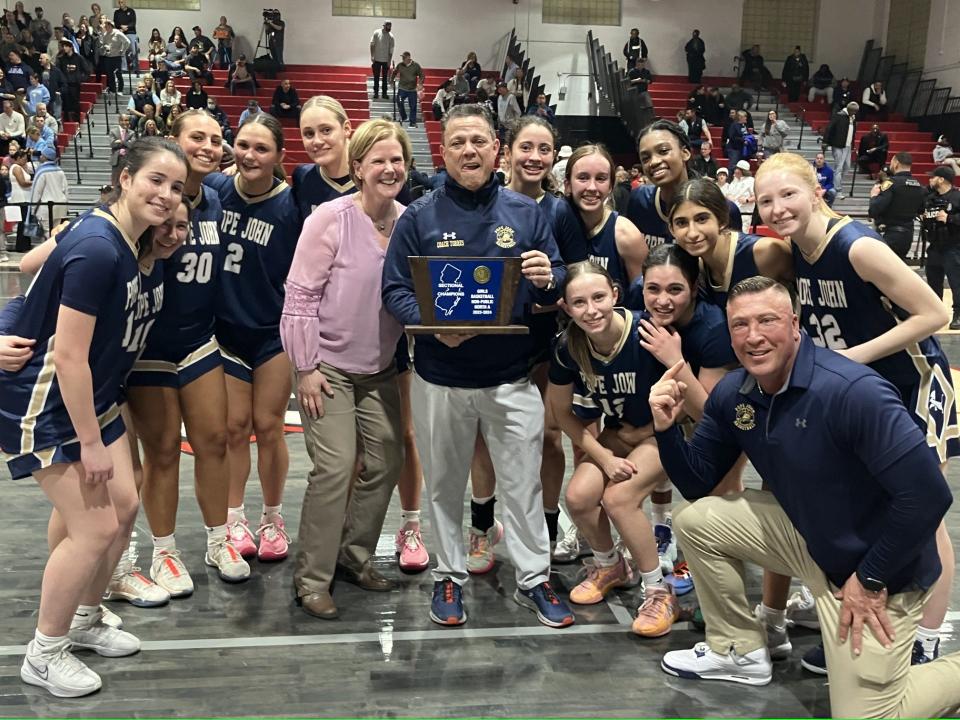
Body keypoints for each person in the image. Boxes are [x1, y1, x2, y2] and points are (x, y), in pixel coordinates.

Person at [652, 275, 960, 718]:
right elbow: (698, 482)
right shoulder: (736, 393)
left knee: (870, 716)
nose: (753, 336)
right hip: (815, 543)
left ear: (795, 325)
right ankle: (738, 649)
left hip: (881, 569)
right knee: (697, 521)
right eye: (740, 325)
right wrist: (666, 429)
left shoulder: (852, 391)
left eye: (767, 321)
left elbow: (929, 496)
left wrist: (869, 578)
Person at [755, 152, 959, 671]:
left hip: (911, 384)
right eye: (765, 199)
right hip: (861, 393)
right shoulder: (797, 250)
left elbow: (937, 313)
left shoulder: (858, 246)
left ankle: (930, 639)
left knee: (922, 514)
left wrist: (850, 358)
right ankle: (872, 615)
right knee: (865, 505)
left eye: (788, 194)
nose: (777, 207)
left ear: (817, 191)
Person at [0, 136, 187, 699]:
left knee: (124, 508)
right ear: (125, 177)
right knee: (96, 527)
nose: (167, 195)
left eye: (176, 187)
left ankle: (82, 622)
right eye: (155, 179)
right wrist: (89, 443)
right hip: (47, 400)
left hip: (94, 395)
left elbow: (34, 267)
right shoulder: (101, 247)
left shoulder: (128, 241)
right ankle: (44, 652)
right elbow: (70, 354)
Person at [382, 104, 575, 629]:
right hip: (439, 377)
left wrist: (546, 275)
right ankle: (448, 575)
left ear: (498, 151)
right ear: (442, 152)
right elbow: (394, 289)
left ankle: (534, 578)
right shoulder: (417, 215)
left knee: (523, 485)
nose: (469, 150)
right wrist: (428, 322)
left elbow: (556, 276)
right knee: (444, 484)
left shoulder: (528, 213)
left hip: (511, 376)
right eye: (458, 142)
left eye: (479, 141)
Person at [281, 118, 410, 619]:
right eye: (377, 160)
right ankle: (311, 578)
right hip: (326, 366)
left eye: (396, 159)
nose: (389, 167)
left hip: (378, 369)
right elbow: (299, 298)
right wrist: (306, 367)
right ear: (357, 167)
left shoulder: (408, 221)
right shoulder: (329, 219)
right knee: (335, 467)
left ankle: (354, 558)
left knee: (386, 461)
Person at [123, 109, 250, 597]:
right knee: (160, 454)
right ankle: (165, 552)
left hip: (199, 339)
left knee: (214, 441)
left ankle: (218, 540)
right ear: (173, 141)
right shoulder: (143, 203)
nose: (209, 145)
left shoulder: (216, 199)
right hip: (148, 346)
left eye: (217, 138)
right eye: (197, 136)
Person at [546, 259, 680, 637]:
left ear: (615, 295)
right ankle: (612, 566)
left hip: (664, 431)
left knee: (619, 499)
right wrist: (604, 456)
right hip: (619, 433)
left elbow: (685, 392)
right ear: (566, 308)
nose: (591, 310)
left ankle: (658, 590)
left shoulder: (648, 332)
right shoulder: (567, 347)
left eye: (599, 297)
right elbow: (560, 414)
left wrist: (654, 430)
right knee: (578, 497)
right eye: (579, 302)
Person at [204, 114, 303, 564]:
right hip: (225, 330)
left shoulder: (292, 205)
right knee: (233, 429)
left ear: (280, 156)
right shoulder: (217, 191)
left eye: (262, 149)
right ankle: (235, 516)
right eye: (243, 145)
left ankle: (273, 516)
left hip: (273, 332)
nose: (249, 155)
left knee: (269, 426)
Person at [627, 119, 741, 249]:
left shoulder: (723, 209)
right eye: (645, 158)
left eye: (663, 151)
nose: (654, 162)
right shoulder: (638, 200)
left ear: (685, 153)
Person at [565, 143, 646, 290]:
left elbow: (644, 300)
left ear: (610, 186)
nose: (592, 187)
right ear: (567, 185)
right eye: (583, 178)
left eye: (601, 178)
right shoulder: (555, 226)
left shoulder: (626, 234)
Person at [921, 165, 960, 329]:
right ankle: (935, 314)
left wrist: (949, 218)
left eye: (933, 177)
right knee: (933, 282)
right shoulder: (930, 198)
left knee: (956, 282)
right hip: (934, 245)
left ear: (941, 179)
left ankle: (958, 315)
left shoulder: (957, 197)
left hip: (953, 246)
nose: (930, 180)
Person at [869, 151, 924, 260]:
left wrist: (874, 196)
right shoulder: (919, 185)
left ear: (896, 163)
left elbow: (875, 210)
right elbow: (921, 209)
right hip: (908, 234)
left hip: (891, 233)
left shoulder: (890, 183)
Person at [28, 143, 66, 234]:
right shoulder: (60, 170)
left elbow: (36, 192)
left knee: (47, 232)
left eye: (42, 155)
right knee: (56, 232)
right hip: (60, 205)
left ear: (45, 157)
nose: (40, 156)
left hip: (46, 207)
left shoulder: (42, 172)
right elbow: (65, 190)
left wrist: (33, 209)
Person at [824, 101, 858, 184]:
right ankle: (837, 189)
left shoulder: (853, 118)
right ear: (849, 110)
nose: (855, 113)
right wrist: (825, 141)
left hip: (848, 146)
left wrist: (852, 145)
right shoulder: (839, 116)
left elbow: (852, 133)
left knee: (847, 167)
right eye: (854, 111)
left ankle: (835, 182)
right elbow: (829, 128)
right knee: (839, 167)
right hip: (838, 145)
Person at [392, 51, 424, 128]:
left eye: (404, 57)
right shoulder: (400, 65)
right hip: (402, 89)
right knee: (399, 101)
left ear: (409, 58)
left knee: (413, 106)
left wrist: (420, 84)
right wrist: (391, 80)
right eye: (402, 57)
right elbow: (394, 72)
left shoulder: (416, 66)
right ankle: (404, 117)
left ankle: (412, 122)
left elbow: (421, 75)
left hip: (412, 90)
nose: (403, 59)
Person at [98, 19, 129, 93]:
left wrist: (123, 51)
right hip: (108, 57)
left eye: (107, 26)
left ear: (110, 26)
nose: (105, 27)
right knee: (109, 74)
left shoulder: (118, 33)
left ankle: (120, 90)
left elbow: (127, 42)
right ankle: (113, 90)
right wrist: (105, 47)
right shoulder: (105, 34)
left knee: (118, 74)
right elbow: (103, 44)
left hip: (116, 56)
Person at [108, 113, 135, 184]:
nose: (126, 122)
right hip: (117, 159)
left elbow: (132, 145)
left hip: (128, 158)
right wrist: (127, 142)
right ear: (119, 121)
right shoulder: (113, 131)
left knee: (128, 180)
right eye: (124, 120)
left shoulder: (132, 133)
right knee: (115, 181)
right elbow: (113, 144)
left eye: (127, 120)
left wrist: (120, 141)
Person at [370, 21, 393, 100]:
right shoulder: (377, 33)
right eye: (388, 26)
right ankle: (376, 93)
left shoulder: (391, 36)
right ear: (384, 26)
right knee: (376, 77)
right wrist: (372, 56)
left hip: (385, 61)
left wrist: (389, 61)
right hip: (376, 59)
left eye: (390, 26)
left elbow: (391, 50)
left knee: (385, 78)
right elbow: (372, 44)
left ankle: (384, 93)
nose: (389, 27)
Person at [112, 0, 137, 71]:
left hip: (131, 32)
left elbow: (133, 23)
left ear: (125, 2)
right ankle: (124, 68)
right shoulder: (116, 12)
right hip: (121, 33)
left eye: (122, 2)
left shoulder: (131, 11)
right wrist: (121, 27)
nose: (121, 3)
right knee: (122, 50)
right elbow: (115, 23)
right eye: (120, 2)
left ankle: (134, 66)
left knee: (133, 50)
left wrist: (126, 27)